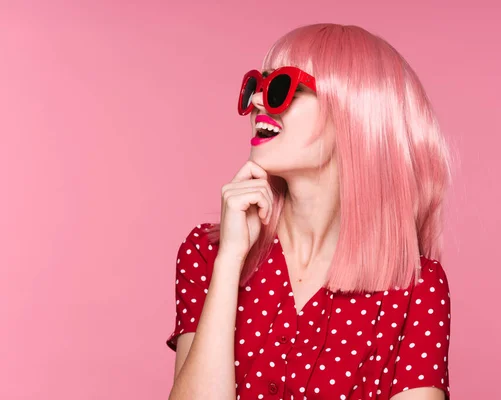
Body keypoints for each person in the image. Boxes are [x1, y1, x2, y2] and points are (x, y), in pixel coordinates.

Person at [166, 23, 453, 400]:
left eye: (283, 87)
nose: (256, 102)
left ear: (353, 114)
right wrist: (230, 261)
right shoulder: (207, 253)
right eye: (257, 85)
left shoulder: (417, 288)